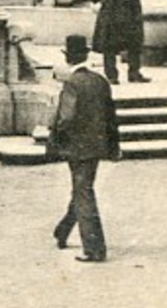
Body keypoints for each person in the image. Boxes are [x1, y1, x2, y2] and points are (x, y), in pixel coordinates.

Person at [47, 35, 121, 262]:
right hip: (98, 145)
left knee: (83, 191)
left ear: (68, 58)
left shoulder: (72, 83)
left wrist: (55, 139)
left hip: (77, 147)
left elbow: (65, 119)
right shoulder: (100, 81)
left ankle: (94, 248)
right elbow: (111, 117)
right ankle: (63, 229)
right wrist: (114, 145)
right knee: (83, 187)